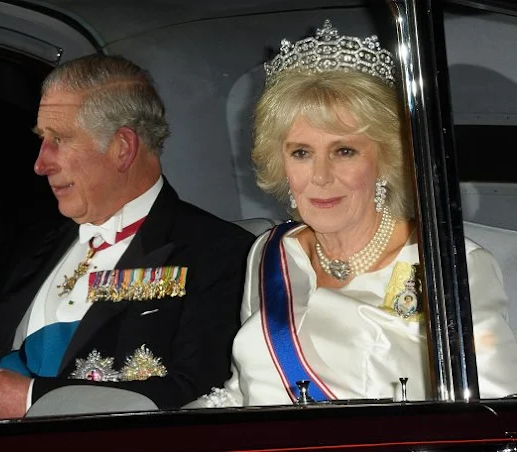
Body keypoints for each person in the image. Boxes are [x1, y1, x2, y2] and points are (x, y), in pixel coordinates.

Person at [187, 20, 517, 407]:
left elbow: (493, 413)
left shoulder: (448, 264)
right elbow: (241, 393)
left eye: (344, 151)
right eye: (301, 153)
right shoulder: (270, 253)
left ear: (386, 158)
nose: (321, 177)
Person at [0, 53, 256, 420]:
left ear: (122, 148)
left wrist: (32, 399)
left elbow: (201, 396)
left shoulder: (220, 252)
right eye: (42, 139)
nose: (40, 163)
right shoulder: (31, 245)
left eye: (59, 139)